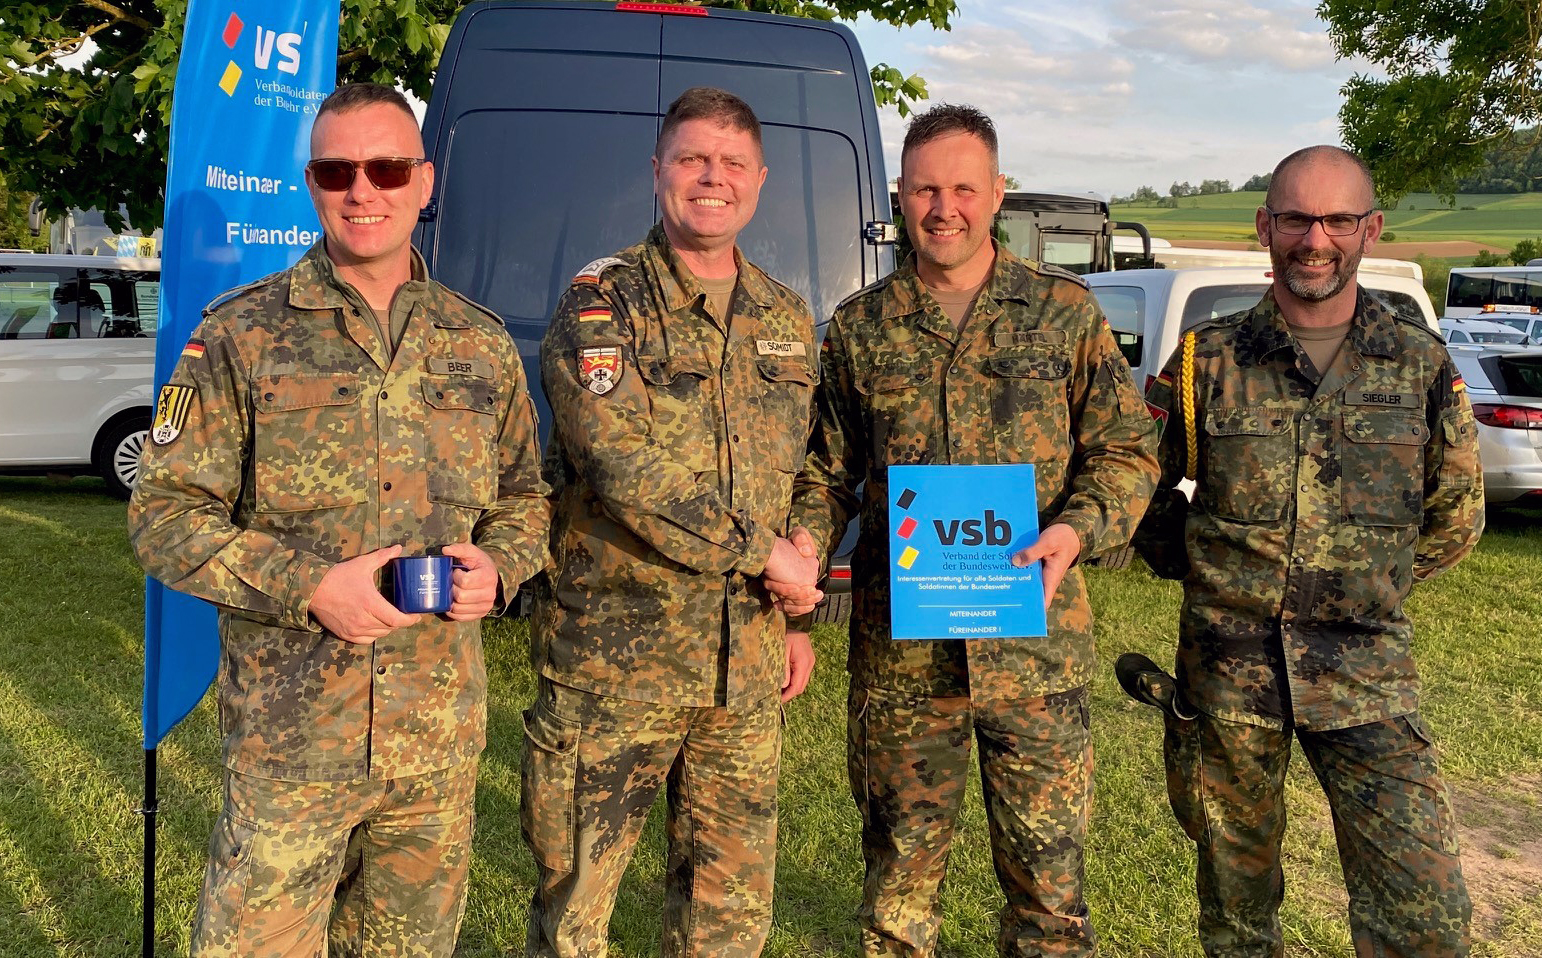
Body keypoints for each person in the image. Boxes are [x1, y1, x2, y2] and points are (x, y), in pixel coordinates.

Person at [129, 82, 551, 956]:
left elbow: (525, 498)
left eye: (388, 168)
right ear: (313, 185)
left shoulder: (478, 343)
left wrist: (501, 567)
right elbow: (163, 516)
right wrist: (310, 586)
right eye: (337, 169)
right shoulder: (241, 337)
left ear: (424, 182)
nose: (364, 190)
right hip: (292, 747)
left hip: (433, 748)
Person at [790, 103, 1160, 956]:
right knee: (897, 892)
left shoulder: (1064, 314)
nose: (943, 207)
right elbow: (826, 469)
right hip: (904, 661)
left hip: (1035, 651)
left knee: (1050, 895)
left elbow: (1127, 453)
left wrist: (1077, 531)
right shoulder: (860, 327)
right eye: (925, 188)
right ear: (900, 195)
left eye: (963, 187)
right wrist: (806, 544)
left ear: (998, 194)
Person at [1133, 145, 1484, 957]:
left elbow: (1457, 512)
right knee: (1238, 918)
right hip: (1230, 679)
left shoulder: (1420, 364)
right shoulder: (1203, 362)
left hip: (1367, 675)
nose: (1314, 238)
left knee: (1424, 910)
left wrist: (1366, 582)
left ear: (1370, 229)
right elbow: (1136, 487)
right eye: (1295, 217)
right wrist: (1204, 566)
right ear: (1266, 226)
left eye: (1336, 219)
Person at [523, 86, 823, 958]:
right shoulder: (600, 304)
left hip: (746, 666)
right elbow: (621, 467)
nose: (712, 179)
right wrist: (763, 549)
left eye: (732, 164)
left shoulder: (786, 316)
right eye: (693, 159)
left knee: (727, 918)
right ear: (658, 172)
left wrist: (796, 583)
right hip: (615, 666)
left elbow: (803, 465)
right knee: (576, 909)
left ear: (759, 180)